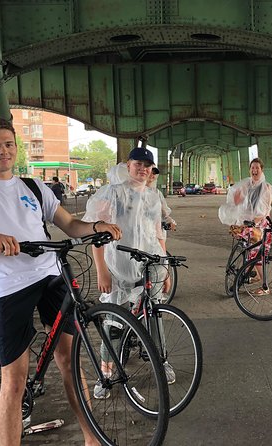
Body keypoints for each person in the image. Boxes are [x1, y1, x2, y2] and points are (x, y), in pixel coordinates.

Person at [0, 117, 122, 446]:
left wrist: (97, 226)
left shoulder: (33, 187)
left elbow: (70, 225)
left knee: (69, 361)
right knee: (15, 379)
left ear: (16, 148)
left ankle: (91, 439)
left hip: (49, 274)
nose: (3, 151)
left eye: (9, 144)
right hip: (9, 285)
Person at [84, 148, 173, 392]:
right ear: (128, 165)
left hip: (150, 263)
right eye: (138, 163)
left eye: (147, 165)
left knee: (155, 316)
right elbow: (97, 234)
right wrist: (101, 269)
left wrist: (165, 269)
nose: (143, 169)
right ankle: (106, 372)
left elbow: (157, 234)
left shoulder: (153, 197)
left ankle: (161, 360)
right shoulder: (112, 194)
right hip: (119, 267)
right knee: (114, 320)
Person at [218, 158, 272, 293]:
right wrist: (236, 199)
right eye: (252, 168)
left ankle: (265, 286)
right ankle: (248, 275)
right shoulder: (246, 186)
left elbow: (265, 210)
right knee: (249, 252)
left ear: (261, 170)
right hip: (249, 225)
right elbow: (238, 203)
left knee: (256, 255)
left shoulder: (267, 188)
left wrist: (255, 222)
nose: (254, 170)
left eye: (257, 168)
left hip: (261, 226)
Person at [146, 166, 177, 232]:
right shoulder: (133, 191)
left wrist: (169, 220)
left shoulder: (157, 193)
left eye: (154, 173)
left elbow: (163, 211)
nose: (152, 175)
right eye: (150, 172)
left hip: (154, 231)